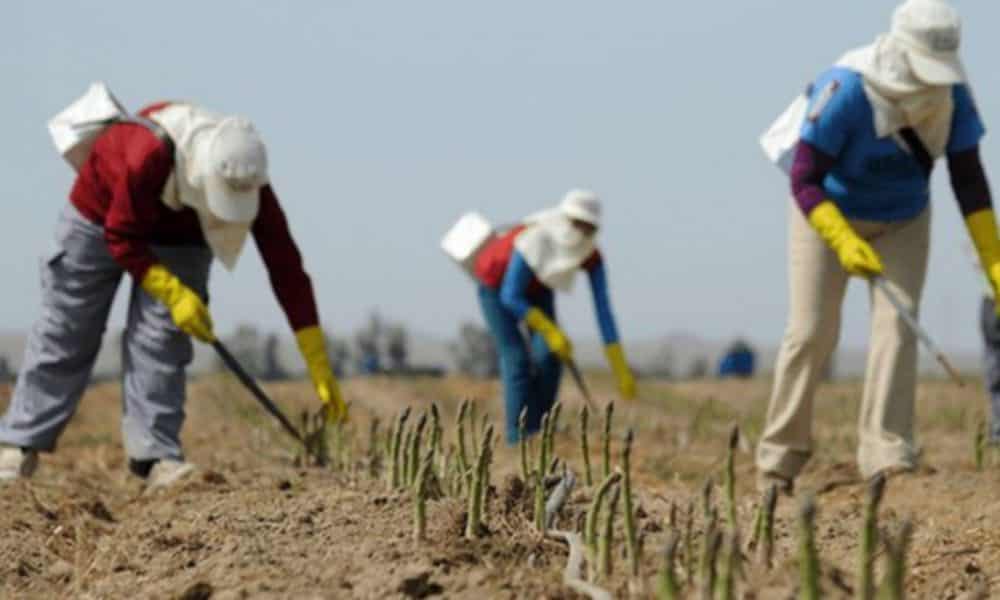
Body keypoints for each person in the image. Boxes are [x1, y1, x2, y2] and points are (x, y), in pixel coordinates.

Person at [0, 101, 347, 487]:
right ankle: (18, 444)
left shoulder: (249, 176)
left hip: (182, 237)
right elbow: (121, 236)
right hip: (101, 218)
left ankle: (156, 457)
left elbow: (286, 267)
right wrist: (173, 292)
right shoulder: (147, 151)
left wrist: (318, 361)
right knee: (68, 329)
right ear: (200, 174)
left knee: (162, 339)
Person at [756, 0, 998, 492]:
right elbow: (804, 179)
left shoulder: (953, 96)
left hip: (904, 218)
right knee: (810, 331)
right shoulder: (846, 89)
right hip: (826, 213)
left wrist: (994, 260)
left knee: (898, 326)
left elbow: (969, 180)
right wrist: (841, 239)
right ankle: (778, 460)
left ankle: (887, 454)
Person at [473, 190, 636, 444]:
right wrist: (550, 329)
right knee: (516, 359)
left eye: (588, 227)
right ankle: (518, 437)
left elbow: (603, 310)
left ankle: (540, 430)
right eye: (576, 223)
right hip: (496, 288)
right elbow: (510, 296)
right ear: (564, 218)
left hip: (539, 288)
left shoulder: (590, 254)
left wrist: (620, 366)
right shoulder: (537, 237)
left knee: (550, 354)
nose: (580, 231)